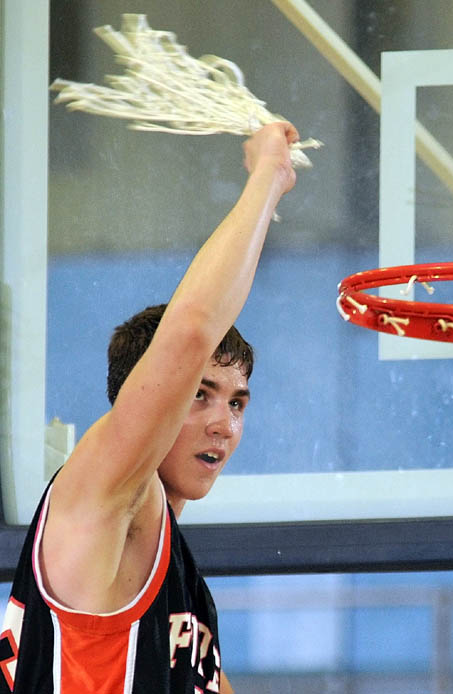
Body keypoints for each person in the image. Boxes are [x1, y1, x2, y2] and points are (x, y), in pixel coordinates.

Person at [0, 121, 299, 694]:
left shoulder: (179, 593)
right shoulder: (101, 491)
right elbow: (189, 332)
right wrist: (270, 175)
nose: (224, 423)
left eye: (237, 402)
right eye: (198, 395)